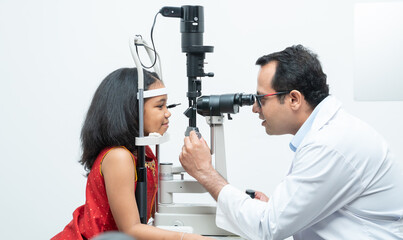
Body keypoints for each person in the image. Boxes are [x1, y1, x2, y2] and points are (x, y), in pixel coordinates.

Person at [179, 45, 403, 239]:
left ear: (294, 99)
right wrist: (277, 210)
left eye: (260, 99)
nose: (256, 109)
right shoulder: (329, 133)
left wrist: (204, 172)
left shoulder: (329, 144)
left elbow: (267, 228)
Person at [52, 68, 211, 240]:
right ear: (132, 110)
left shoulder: (145, 152)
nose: (168, 113)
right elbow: (131, 229)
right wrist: (187, 238)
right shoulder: (118, 157)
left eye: (168, 105)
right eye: (159, 106)